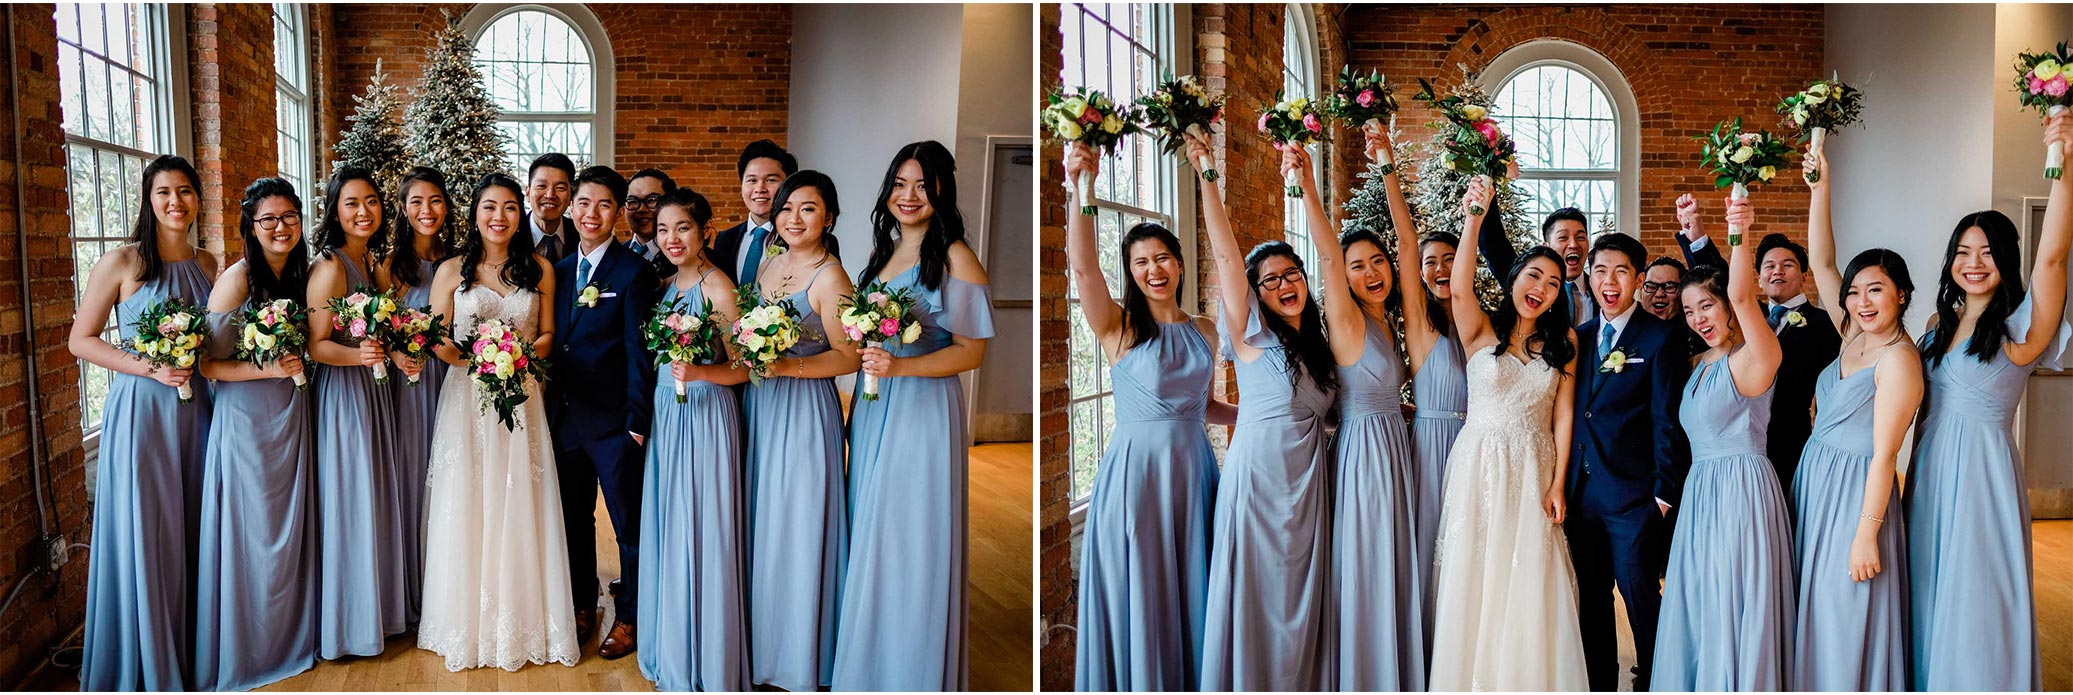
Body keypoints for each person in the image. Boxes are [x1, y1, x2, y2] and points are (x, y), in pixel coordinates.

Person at [1905, 115, 2072, 691]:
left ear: (2005, 258)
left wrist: (2062, 163)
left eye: (1987, 252)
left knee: (1976, 591)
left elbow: (2051, 260)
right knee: (1928, 583)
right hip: (1927, 471)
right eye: (1962, 251)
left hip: (1982, 475)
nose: (1973, 262)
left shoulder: (2023, 327)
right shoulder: (1933, 326)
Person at [1064, 140, 1226, 692]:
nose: (1153, 270)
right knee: (1148, 586)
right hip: (1137, 477)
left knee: (1194, 585)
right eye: (1140, 263)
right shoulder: (1119, 328)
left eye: (1161, 258)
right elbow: (1084, 272)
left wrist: (1266, 418)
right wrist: (1081, 191)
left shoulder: (1204, 329)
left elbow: (1203, 408)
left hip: (1195, 473)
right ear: (1131, 273)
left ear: (1178, 263)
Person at [833, 141, 995, 691]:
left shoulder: (956, 257)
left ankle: (908, 670)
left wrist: (901, 369)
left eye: (922, 185)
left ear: (942, 191)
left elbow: (971, 352)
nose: (909, 196)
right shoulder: (883, 256)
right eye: (900, 184)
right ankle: (868, 662)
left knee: (907, 534)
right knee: (870, 524)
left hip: (922, 408)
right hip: (876, 405)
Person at [1185, 134, 1334, 692]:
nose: (1283, 284)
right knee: (1256, 594)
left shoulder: (1320, 348)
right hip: (1258, 486)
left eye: (1291, 273)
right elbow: (1226, 254)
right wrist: (1206, 172)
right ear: (1257, 294)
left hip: (1309, 489)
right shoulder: (1249, 335)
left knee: (1300, 597)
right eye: (1268, 280)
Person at [1427, 176, 1587, 691]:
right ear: (1515, 277)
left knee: (1529, 578)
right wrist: (1475, 212)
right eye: (1533, 276)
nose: (1540, 289)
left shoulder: (1563, 342)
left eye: (1553, 283)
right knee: (1478, 573)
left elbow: (1563, 414)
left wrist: (1558, 483)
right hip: (1479, 464)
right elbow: (1458, 283)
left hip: (1534, 465)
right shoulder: (1479, 329)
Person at [417, 172, 578, 671]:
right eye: (490, 207)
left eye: (510, 207)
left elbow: (549, 333)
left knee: (519, 501)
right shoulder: (450, 271)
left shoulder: (540, 268)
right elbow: (436, 338)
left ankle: (524, 617)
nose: (500, 217)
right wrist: (480, 359)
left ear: (521, 210)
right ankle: (465, 621)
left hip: (522, 395)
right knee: (469, 500)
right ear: (475, 213)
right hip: (467, 398)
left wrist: (518, 355)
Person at [72, 154, 217, 691]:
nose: (175, 202)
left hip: (199, 409)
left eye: (184, 191)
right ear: (148, 201)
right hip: (142, 413)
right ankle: (147, 659)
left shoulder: (209, 263)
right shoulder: (123, 262)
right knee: (151, 530)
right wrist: (149, 366)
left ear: (198, 198)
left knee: (196, 522)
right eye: (164, 193)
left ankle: (191, 649)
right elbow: (80, 340)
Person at [1286, 136, 1423, 691]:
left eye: (1377, 262)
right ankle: (1366, 674)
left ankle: (1391, 664)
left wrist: (1387, 163)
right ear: (1343, 276)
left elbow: (1410, 246)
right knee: (1369, 562)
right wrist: (1308, 186)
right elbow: (1323, 252)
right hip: (1366, 454)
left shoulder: (1388, 321)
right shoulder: (1346, 321)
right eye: (1357, 266)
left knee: (1393, 560)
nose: (1371, 273)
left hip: (1396, 444)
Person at [1650, 195, 1795, 691]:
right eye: (1688, 310)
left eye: (1707, 305)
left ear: (1730, 305)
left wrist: (1739, 230)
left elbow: (1742, 294)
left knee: (1735, 598)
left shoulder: (1757, 355)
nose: (1697, 318)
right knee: (1703, 600)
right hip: (1701, 496)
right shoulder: (1699, 364)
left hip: (1741, 494)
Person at [1791, 142, 1918, 691]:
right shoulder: (1850, 333)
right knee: (1811, 606)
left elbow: (1886, 454)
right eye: (1856, 292)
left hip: (1857, 494)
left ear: (1902, 296)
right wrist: (1820, 187)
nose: (1863, 301)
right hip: (1815, 480)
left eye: (1877, 291)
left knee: (1845, 610)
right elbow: (1821, 262)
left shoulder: (1899, 359)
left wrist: (1867, 535)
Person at [193, 177, 317, 691]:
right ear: (251, 226)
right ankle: (250, 647)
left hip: (292, 414)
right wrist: (267, 371)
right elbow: (206, 365)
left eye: (289, 216)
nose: (281, 227)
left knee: (289, 531)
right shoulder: (236, 280)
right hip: (246, 420)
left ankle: (293, 634)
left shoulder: (304, 274)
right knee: (254, 533)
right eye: (269, 219)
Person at [742, 171, 860, 692]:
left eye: (807, 209)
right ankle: (762, 646)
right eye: (787, 208)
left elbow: (850, 356)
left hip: (805, 409)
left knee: (797, 524)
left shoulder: (832, 277)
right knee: (764, 520)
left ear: (828, 217)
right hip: (763, 408)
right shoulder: (770, 265)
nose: (793, 218)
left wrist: (787, 366)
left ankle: (797, 657)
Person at [637, 188, 751, 691]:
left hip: (704, 416)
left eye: (682, 227)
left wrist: (701, 375)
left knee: (701, 527)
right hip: (669, 414)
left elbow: (746, 367)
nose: (671, 238)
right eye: (663, 230)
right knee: (672, 524)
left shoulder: (717, 287)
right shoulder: (667, 285)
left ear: (704, 228)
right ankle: (674, 642)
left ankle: (706, 654)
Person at [1567, 227, 1690, 691]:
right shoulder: (1578, 337)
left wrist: (1662, 493)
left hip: (1636, 497)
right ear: (1591, 279)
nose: (1609, 280)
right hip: (1583, 494)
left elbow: (1667, 421)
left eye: (1621, 271)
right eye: (1601, 271)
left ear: (1638, 278)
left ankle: (1657, 678)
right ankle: (1600, 682)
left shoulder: (1660, 338)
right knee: (1592, 597)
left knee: (1640, 595)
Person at [548, 165, 659, 658]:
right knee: (574, 520)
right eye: (584, 203)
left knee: (627, 526)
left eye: (604, 205)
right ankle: (582, 604)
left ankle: (631, 617)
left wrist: (637, 424)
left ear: (618, 213)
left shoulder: (634, 273)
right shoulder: (556, 270)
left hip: (616, 425)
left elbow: (641, 354)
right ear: (571, 208)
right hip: (565, 422)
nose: (591, 214)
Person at [305, 166, 407, 660]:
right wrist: (361, 357)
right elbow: (315, 346)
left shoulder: (368, 260)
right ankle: (346, 627)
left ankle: (375, 612)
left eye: (371, 201)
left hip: (372, 391)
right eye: (352, 203)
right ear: (334, 210)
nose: (363, 211)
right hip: (344, 394)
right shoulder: (330, 266)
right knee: (350, 500)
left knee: (371, 497)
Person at [1676, 196, 1842, 488]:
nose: (1777, 271)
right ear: (1759, 278)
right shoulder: (1748, 317)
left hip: (1791, 439)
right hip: (1740, 436)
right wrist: (1695, 233)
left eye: (1787, 265)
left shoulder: (1824, 324)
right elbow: (1719, 284)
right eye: (1769, 266)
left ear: (1804, 275)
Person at [379, 165, 453, 627]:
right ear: (404, 210)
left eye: (436, 201)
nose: (427, 211)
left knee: (449, 480)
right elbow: (376, 325)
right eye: (416, 202)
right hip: (409, 385)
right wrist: (394, 354)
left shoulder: (460, 259)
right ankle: (413, 590)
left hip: (451, 377)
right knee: (412, 479)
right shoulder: (389, 265)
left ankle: (448, 586)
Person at [1481, 205, 1595, 325]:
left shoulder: (1601, 290)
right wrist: (1486, 193)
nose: (1573, 244)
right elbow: (1492, 244)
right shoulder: (1526, 284)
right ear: (1546, 247)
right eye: (1563, 237)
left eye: (1581, 237)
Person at [712, 140, 798, 286]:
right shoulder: (725, 240)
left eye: (771, 180)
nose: (760, 188)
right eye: (752, 180)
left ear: (788, 186)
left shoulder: (805, 239)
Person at [622, 168, 679, 281]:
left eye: (652, 200)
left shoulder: (692, 258)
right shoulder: (613, 255)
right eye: (632, 201)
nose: (641, 209)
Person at [527, 153, 579, 261]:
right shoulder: (511, 235)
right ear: (528, 193)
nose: (550, 195)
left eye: (560, 188)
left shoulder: (580, 235)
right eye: (541, 186)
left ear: (571, 195)